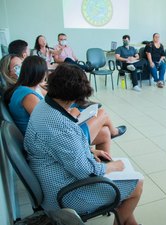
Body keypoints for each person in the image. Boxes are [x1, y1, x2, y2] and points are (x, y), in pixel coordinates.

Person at [24, 63, 143, 225]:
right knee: (137, 185)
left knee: (123, 190)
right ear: (73, 97)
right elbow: (86, 172)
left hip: (53, 180)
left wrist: (89, 151)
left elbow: (57, 149)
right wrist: (112, 167)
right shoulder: (60, 127)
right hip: (64, 194)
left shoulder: (44, 106)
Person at [4, 56, 123, 156]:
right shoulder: (27, 95)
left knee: (104, 132)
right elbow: (47, 123)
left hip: (51, 138)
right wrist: (72, 114)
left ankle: (105, 172)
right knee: (102, 113)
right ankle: (114, 134)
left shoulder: (28, 88)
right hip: (51, 142)